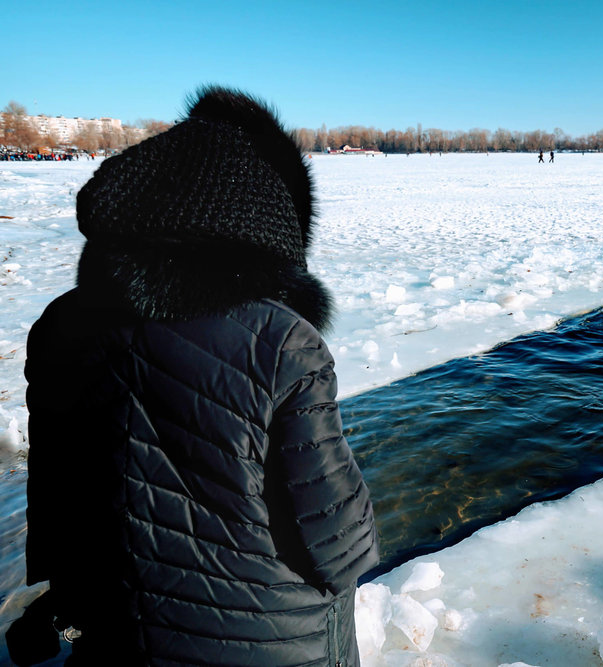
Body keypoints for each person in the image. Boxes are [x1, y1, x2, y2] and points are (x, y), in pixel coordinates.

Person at [8, 87, 378, 666]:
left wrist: (66, 598)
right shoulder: (281, 344)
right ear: (264, 226)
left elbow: (55, 498)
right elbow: (338, 541)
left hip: (119, 631)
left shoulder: (60, 326)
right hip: (268, 641)